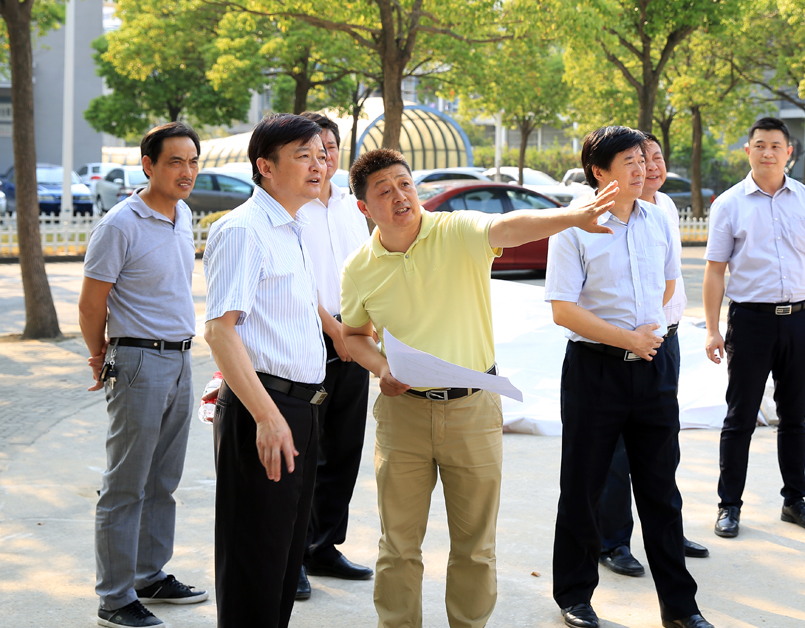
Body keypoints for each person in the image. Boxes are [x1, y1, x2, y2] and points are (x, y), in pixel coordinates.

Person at [339, 148, 617, 628]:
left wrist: (571, 217)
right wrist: (381, 367)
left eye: (405, 184)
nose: (400, 196)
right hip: (402, 415)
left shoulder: (456, 230)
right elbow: (353, 334)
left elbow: (510, 226)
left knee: (474, 546)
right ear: (365, 207)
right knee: (398, 545)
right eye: (384, 191)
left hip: (472, 410)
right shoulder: (358, 267)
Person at [546, 126, 712, 628]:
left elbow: (668, 283)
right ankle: (575, 596)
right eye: (630, 162)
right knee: (584, 487)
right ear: (599, 172)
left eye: (644, 159)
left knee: (662, 491)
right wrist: (627, 338)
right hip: (594, 371)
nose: (643, 169)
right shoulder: (573, 226)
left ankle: (680, 608)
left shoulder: (658, 218)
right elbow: (563, 310)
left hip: (653, 367)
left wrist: (645, 335)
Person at [80, 121, 208, 628]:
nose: (187, 171)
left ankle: (148, 575)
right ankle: (114, 598)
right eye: (175, 161)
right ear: (148, 165)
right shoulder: (120, 224)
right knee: (125, 484)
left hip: (180, 358)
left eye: (193, 161)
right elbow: (91, 305)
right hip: (136, 360)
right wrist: (99, 356)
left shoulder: (182, 214)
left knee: (162, 480)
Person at [203, 113, 328, 628]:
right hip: (266, 410)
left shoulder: (292, 228)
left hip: (300, 409)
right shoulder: (244, 230)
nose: (319, 166)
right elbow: (220, 331)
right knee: (254, 564)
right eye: (303, 156)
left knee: (282, 561)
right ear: (266, 167)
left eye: (321, 155)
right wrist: (267, 416)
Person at [704, 117, 805, 539]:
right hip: (750, 322)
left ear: (789, 152)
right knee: (740, 416)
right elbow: (714, 271)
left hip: (800, 321)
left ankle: (794, 501)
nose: (768, 152)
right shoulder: (729, 204)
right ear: (748, 151)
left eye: (775, 146)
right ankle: (729, 506)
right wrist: (712, 329)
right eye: (760, 145)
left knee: (795, 417)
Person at [596, 133, 709, 580]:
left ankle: (666, 533)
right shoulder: (606, 217)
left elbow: (669, 280)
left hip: (666, 340)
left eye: (656, 157)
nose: (651, 166)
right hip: (623, 345)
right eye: (639, 159)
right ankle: (613, 540)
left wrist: (659, 329)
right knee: (618, 451)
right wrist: (637, 333)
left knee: (663, 445)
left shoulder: (665, 209)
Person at [296, 111, 373, 599]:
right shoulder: (292, 207)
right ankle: (293, 555)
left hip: (355, 335)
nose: (323, 157)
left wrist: (364, 330)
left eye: (330, 148)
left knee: (344, 449)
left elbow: (368, 270)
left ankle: (323, 546)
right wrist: (335, 330)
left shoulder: (350, 206)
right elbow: (298, 282)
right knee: (305, 452)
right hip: (310, 336)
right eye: (313, 149)